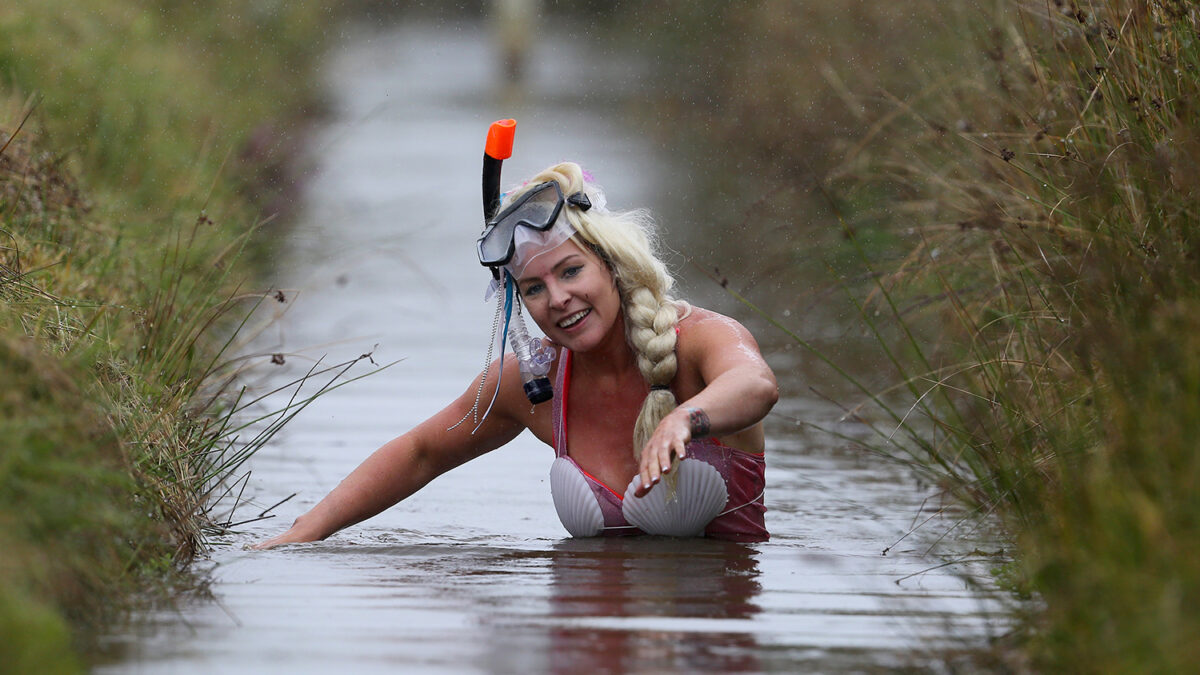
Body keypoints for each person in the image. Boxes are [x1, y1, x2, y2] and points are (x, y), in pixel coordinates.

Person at [255, 161, 777, 548]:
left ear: (612, 265)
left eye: (571, 271)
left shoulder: (701, 341)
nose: (557, 299)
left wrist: (686, 419)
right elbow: (421, 452)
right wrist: (307, 531)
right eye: (533, 288)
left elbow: (756, 385)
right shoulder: (534, 383)